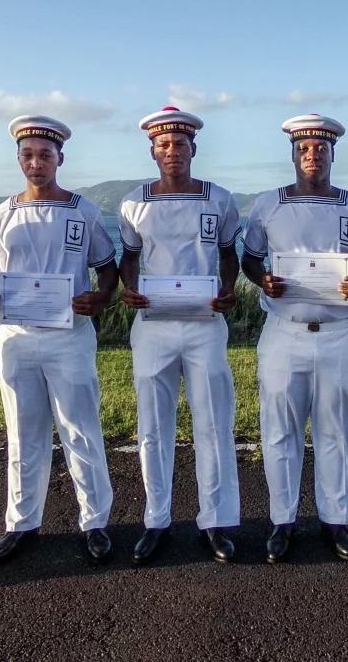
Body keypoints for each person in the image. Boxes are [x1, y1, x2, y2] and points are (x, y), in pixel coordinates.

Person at [0, 116, 117, 566]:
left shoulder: (83, 211)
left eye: (45, 155)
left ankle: (95, 522)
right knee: (23, 431)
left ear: (60, 159)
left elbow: (106, 267)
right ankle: (22, 522)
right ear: (18, 159)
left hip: (68, 337)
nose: (37, 163)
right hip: (16, 338)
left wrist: (101, 297)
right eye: (28, 155)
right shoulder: (2, 213)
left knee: (80, 429)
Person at [241, 114, 348, 563]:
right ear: (293, 153)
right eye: (304, 148)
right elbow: (250, 259)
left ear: (333, 153)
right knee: (279, 430)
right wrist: (263, 281)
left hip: (338, 333)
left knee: (337, 430)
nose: (312, 155)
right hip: (284, 333)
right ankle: (282, 520)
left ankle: (336, 519)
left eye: (321, 148)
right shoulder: (268, 206)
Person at [118, 106, 241, 564]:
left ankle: (216, 520)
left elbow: (229, 254)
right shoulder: (133, 203)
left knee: (213, 423)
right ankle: (156, 519)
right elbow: (130, 256)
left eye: (180, 144)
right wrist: (130, 289)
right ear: (153, 151)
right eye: (164, 145)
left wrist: (229, 290)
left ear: (193, 148)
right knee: (153, 426)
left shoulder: (220, 199)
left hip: (205, 323)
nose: (173, 151)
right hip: (152, 325)